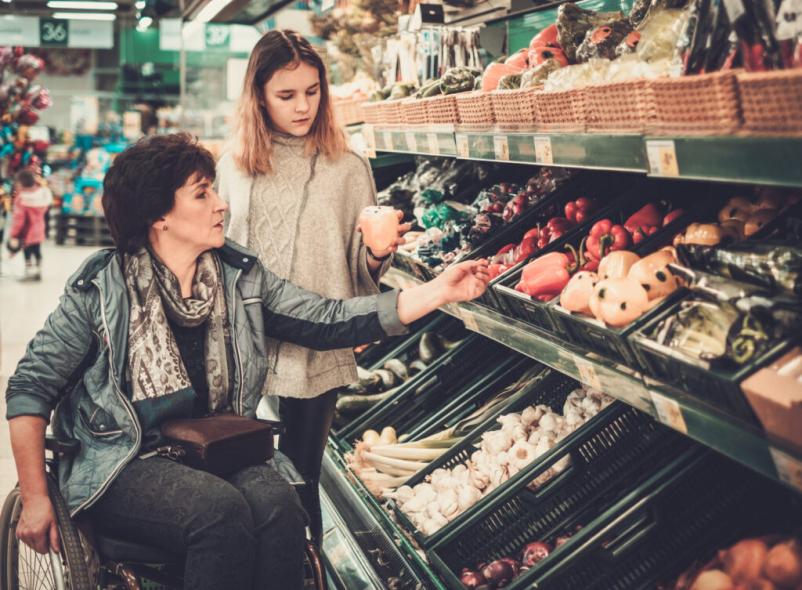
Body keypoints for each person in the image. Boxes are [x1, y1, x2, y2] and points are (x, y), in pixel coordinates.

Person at [5, 133, 489, 590]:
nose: (221, 204)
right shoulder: (101, 289)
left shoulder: (239, 277)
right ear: (159, 216)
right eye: (201, 194)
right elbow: (30, 389)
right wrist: (36, 497)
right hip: (124, 459)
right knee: (218, 513)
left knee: (282, 506)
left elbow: (328, 318)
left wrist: (435, 292)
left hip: (219, 448)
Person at [216, 29, 409, 546]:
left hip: (317, 347)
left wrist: (376, 252)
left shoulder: (348, 169)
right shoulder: (233, 166)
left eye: (312, 91)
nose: (303, 106)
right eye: (286, 95)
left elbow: (362, 271)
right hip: (240, 347)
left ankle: (306, 574)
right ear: (258, 95)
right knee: (240, 484)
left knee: (300, 484)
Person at [7, 168, 53, 281]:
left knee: (27, 252)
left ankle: (29, 271)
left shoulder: (22, 198)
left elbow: (19, 219)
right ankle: (38, 270)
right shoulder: (42, 194)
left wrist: (14, 234)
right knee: (37, 250)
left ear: (21, 183)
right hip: (39, 229)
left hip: (27, 232)